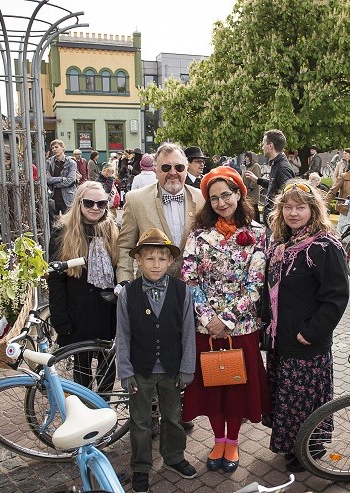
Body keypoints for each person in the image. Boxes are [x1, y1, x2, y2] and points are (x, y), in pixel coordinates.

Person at [180, 167, 270, 474]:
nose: (221, 202)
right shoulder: (198, 235)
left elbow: (256, 283)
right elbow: (189, 279)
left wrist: (227, 320)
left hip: (241, 326)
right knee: (211, 386)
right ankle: (217, 438)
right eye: (214, 197)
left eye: (226, 195)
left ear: (239, 194)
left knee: (235, 388)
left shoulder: (257, 233)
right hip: (205, 326)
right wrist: (208, 317)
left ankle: (232, 442)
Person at [263, 179, 349, 473]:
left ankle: (308, 447)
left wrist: (311, 332)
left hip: (306, 341)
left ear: (313, 209)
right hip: (281, 338)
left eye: (300, 207)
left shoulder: (325, 246)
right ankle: (291, 445)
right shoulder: (280, 243)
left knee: (304, 399)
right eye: (287, 207)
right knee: (287, 397)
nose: (293, 213)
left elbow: (336, 296)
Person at [115, 228, 198, 493]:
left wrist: (187, 368)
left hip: (172, 369)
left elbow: (188, 332)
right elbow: (123, 335)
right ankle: (140, 466)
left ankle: (174, 456)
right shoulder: (128, 294)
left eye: (162, 258)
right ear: (138, 259)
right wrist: (125, 372)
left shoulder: (182, 291)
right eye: (149, 258)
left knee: (173, 417)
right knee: (140, 421)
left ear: (170, 261)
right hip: (141, 370)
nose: (156, 264)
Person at [48, 181, 119, 390]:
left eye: (101, 203)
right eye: (89, 203)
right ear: (79, 203)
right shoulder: (63, 232)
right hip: (78, 312)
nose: (95, 208)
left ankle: (104, 408)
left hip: (107, 311)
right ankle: (86, 408)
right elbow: (56, 279)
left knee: (107, 363)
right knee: (82, 366)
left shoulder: (113, 230)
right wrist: (60, 318)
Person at [116, 142, 205, 284]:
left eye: (179, 167)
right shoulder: (135, 200)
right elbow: (125, 246)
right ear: (155, 170)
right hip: (148, 289)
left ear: (186, 169)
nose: (173, 172)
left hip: (192, 290)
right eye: (166, 167)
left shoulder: (202, 199)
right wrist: (124, 281)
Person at [244, 129, 295, 226]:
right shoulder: (277, 164)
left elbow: (288, 196)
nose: (262, 147)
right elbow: (274, 185)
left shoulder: (282, 168)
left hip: (276, 223)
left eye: (263, 144)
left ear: (270, 146)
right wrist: (257, 180)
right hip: (273, 220)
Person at [45, 140, 77, 215]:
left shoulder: (71, 162)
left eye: (56, 147)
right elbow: (46, 179)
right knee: (53, 223)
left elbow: (71, 180)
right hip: (53, 197)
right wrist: (61, 178)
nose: (54, 149)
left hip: (68, 197)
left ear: (63, 148)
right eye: (52, 148)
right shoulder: (49, 162)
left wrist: (55, 184)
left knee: (68, 222)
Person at [242, 151, 262, 222]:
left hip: (252, 192)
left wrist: (250, 188)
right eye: (245, 157)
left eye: (248, 157)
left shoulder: (256, 166)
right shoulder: (247, 167)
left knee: (254, 209)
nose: (246, 159)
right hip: (246, 192)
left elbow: (256, 179)